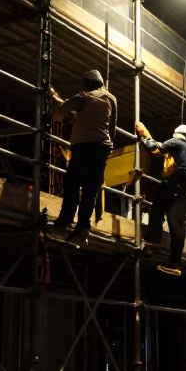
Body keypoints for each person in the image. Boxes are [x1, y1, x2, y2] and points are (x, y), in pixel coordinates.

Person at [50, 70, 117, 246]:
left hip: (84, 146)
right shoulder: (111, 99)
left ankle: (63, 225)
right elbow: (112, 128)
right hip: (103, 147)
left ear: (88, 83)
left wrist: (56, 106)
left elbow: (60, 113)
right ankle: (82, 230)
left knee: (72, 185)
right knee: (91, 189)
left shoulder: (83, 97)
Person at [134, 121, 186, 276]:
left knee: (156, 209)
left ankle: (151, 244)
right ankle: (176, 263)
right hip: (184, 188)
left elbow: (154, 148)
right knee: (176, 224)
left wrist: (143, 134)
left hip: (174, 182)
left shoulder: (176, 142)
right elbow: (161, 153)